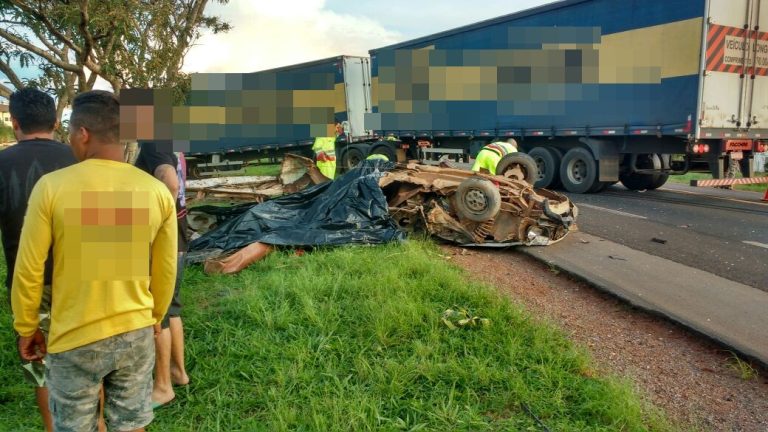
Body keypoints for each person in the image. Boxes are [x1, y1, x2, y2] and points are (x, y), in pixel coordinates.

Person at [11, 90, 177, 432]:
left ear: (83, 134)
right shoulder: (155, 191)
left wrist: (27, 327)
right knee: (131, 425)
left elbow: (29, 267)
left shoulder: (51, 187)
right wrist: (155, 316)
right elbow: (164, 268)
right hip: (136, 330)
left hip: (73, 335)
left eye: (71, 132)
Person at [0, 88, 77, 432]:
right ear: (57, 121)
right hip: (81, 279)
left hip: (28, 282)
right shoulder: (79, 157)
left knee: (41, 363)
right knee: (86, 360)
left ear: (14, 122)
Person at [133, 142, 190, 408]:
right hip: (178, 240)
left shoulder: (153, 143)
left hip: (164, 244)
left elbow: (170, 181)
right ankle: (179, 373)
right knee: (172, 309)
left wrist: (157, 227)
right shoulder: (168, 142)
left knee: (158, 315)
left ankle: (163, 386)